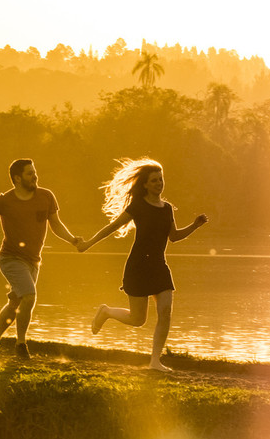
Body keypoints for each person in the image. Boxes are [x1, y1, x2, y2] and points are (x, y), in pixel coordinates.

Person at [78, 158, 207, 371]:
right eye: (154, 180)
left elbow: (174, 236)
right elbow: (112, 227)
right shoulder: (138, 206)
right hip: (138, 266)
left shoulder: (167, 209)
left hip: (159, 266)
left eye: (160, 179)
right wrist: (88, 244)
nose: (159, 183)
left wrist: (195, 225)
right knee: (138, 319)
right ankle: (106, 312)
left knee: (165, 312)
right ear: (145, 184)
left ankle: (155, 361)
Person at [0, 159, 82, 363]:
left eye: (34, 172)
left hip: (33, 261)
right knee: (29, 296)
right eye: (30, 173)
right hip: (10, 258)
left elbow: (56, 225)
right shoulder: (4, 201)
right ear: (17, 178)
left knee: (15, 303)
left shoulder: (46, 197)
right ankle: (21, 344)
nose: (35, 176)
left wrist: (73, 240)